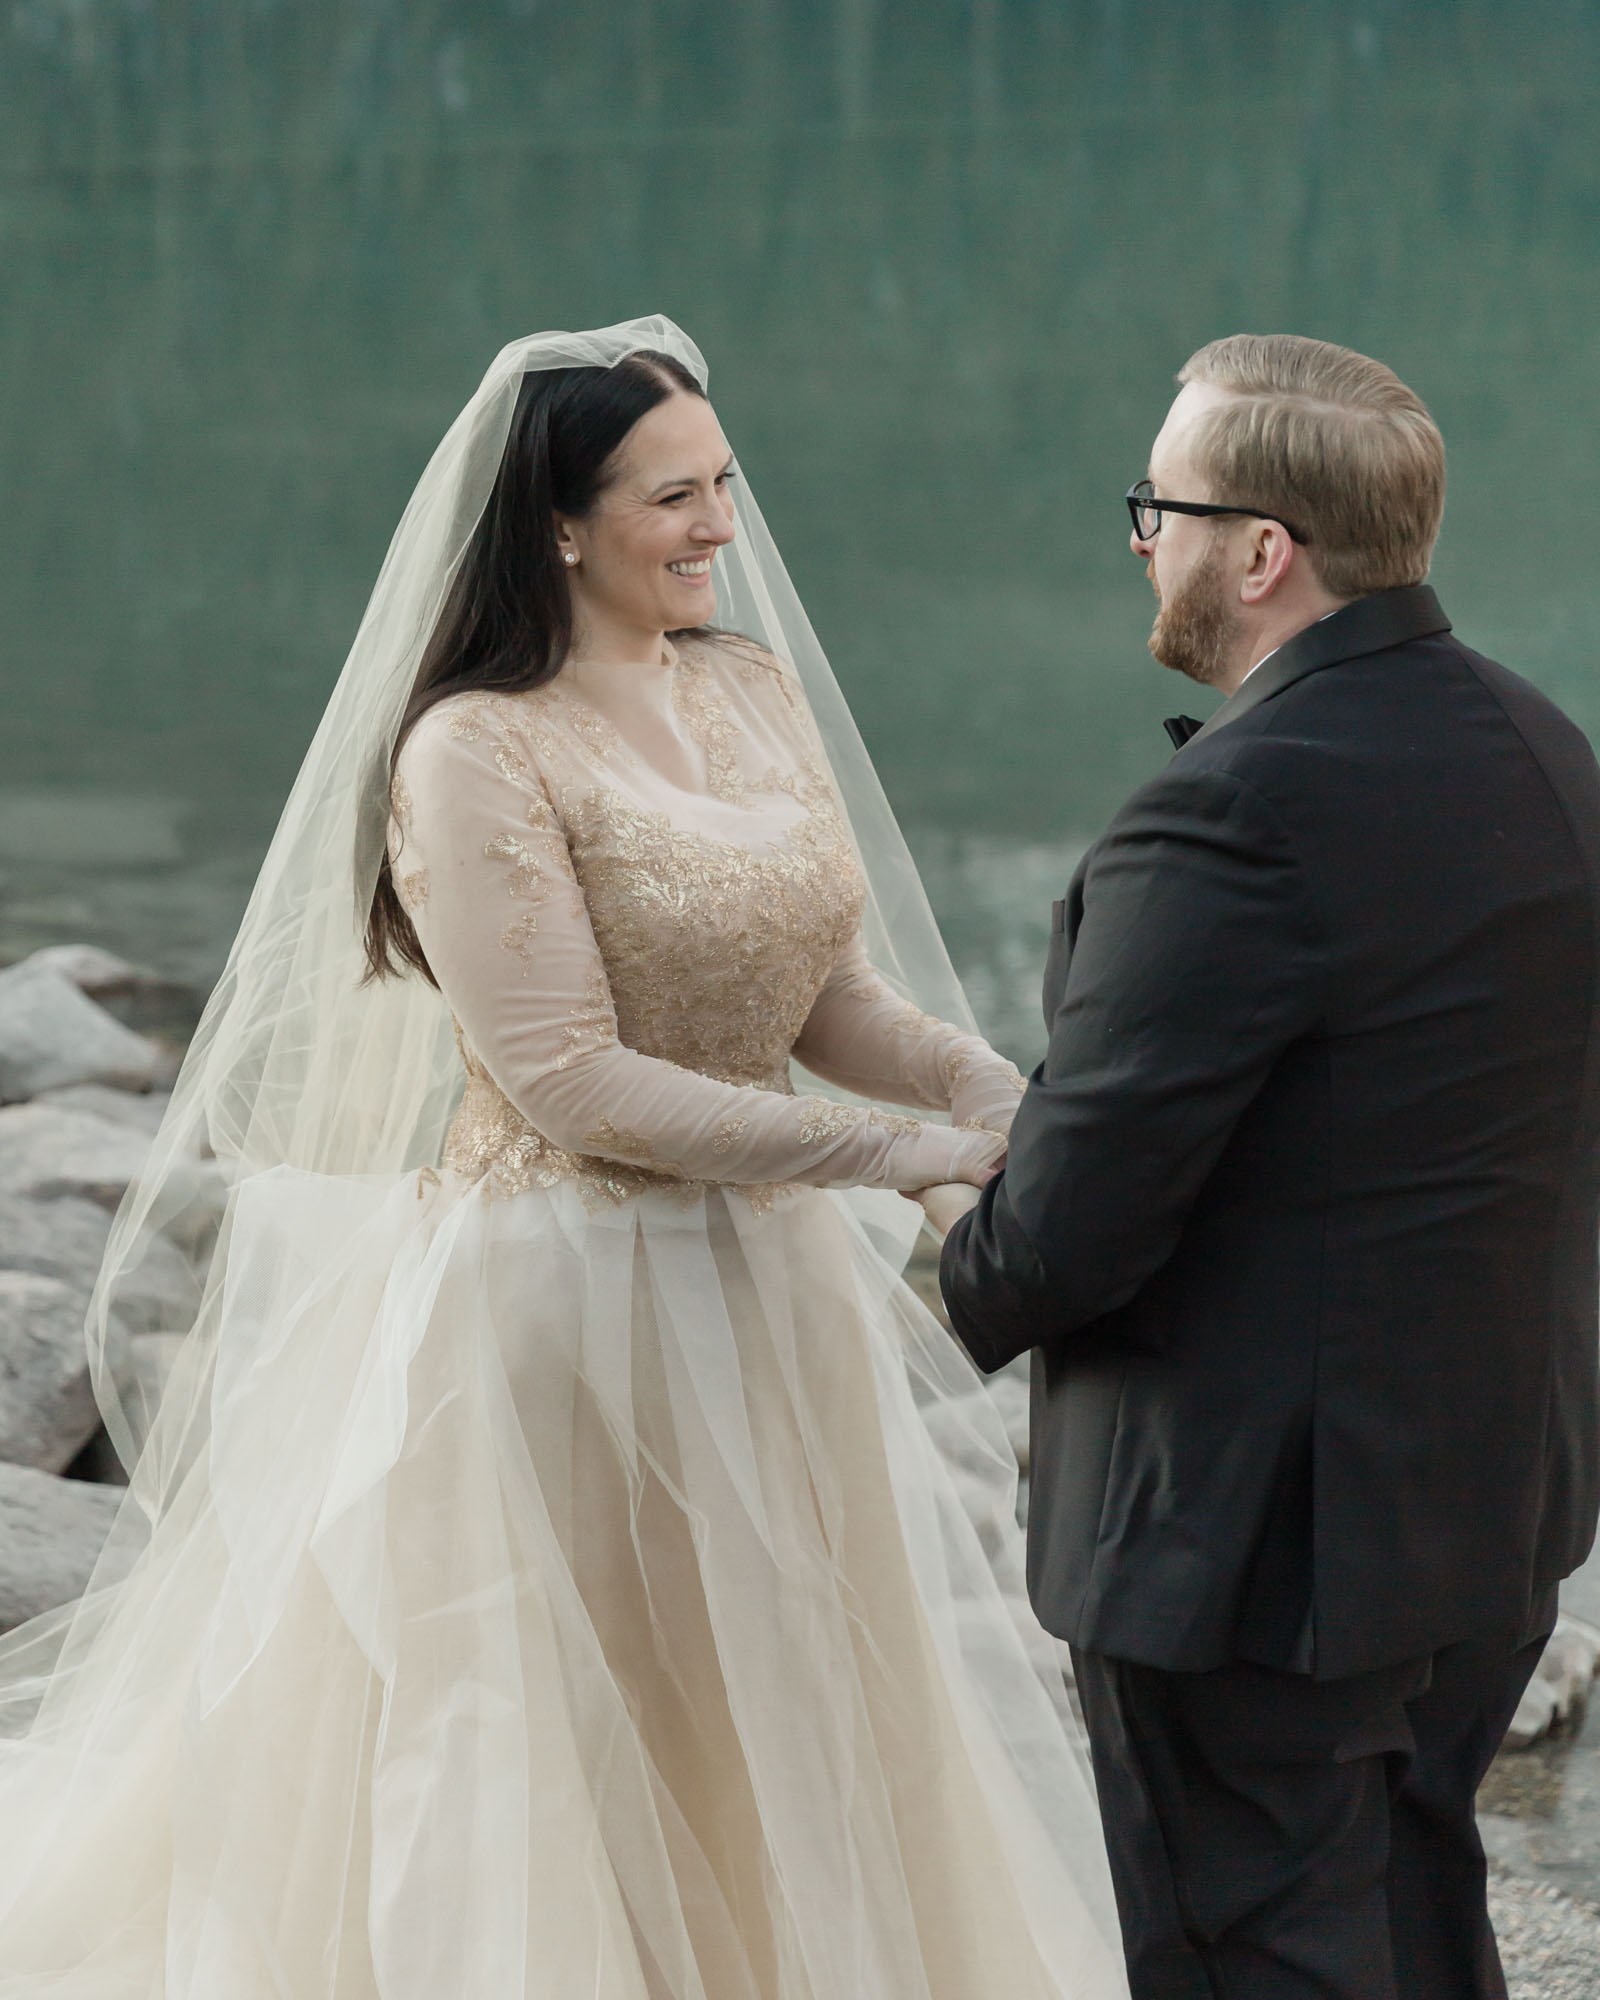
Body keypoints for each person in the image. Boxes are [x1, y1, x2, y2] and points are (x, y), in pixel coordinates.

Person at [0, 320, 1129, 1998]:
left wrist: (1008, 1097)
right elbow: (572, 1081)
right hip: (555, 1305)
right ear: (556, 522)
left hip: (771, 1297)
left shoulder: (743, 688)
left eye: (725, 486)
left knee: (782, 1705)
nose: (720, 528)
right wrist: (909, 1152)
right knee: (532, 1728)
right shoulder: (475, 748)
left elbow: (828, 991)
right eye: (673, 497)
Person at [933, 333, 1600, 1999]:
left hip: (1249, 1552)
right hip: (1487, 1498)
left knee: (1257, 1958)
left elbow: (1068, 1229)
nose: (1143, 535)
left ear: (1261, 550)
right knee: (1420, 1923)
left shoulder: (1226, 817)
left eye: (1157, 504)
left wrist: (948, 1230)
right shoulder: (1544, 752)